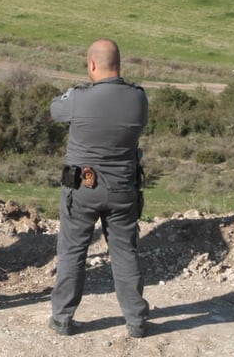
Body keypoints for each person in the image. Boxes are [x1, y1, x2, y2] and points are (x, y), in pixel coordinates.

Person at [49, 39, 148, 338]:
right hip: (123, 188)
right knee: (125, 252)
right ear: (119, 64)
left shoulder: (79, 98)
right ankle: (137, 320)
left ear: (92, 65)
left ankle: (63, 318)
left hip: (82, 187)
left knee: (72, 251)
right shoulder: (138, 98)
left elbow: (55, 110)